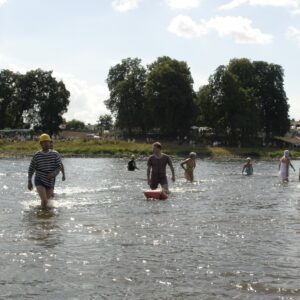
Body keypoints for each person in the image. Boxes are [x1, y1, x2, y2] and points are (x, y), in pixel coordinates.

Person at [28, 134, 62, 209]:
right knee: (44, 200)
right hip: (39, 179)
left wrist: (53, 174)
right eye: (44, 142)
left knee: (48, 200)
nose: (46, 144)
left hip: (50, 180)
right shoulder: (37, 155)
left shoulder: (55, 154)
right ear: (41, 144)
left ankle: (45, 215)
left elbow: (59, 167)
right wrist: (29, 181)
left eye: (47, 142)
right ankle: (42, 219)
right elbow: (31, 168)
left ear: (50, 143)